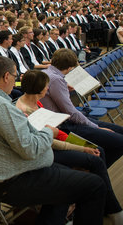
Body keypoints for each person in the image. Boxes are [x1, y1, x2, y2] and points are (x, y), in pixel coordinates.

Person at [0, 56, 107, 225]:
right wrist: (49, 132)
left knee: (68, 186)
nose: (16, 80)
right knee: (95, 185)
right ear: (6, 76)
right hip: (14, 179)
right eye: (15, 75)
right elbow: (29, 149)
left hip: (12, 170)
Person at [17, 70, 123, 222]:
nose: (48, 89)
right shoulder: (24, 110)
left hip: (59, 140)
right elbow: (50, 140)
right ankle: (111, 208)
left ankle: (104, 203)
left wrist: (76, 143)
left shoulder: (35, 101)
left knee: (98, 152)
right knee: (95, 156)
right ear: (40, 89)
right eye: (47, 86)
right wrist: (78, 146)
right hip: (50, 149)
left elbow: (54, 130)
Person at [41, 48, 123, 167]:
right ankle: (98, 170)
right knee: (119, 142)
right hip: (66, 125)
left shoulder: (48, 73)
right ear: (69, 67)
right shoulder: (56, 79)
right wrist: (97, 128)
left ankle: (98, 169)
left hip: (67, 119)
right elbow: (71, 112)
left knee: (119, 132)